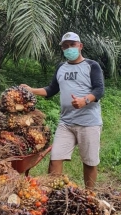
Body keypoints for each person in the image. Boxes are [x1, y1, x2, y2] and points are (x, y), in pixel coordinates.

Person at [20, 32, 104, 190]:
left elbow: (99, 89)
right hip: (66, 123)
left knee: (89, 162)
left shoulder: (92, 66)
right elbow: (51, 90)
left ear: (80, 46)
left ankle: (89, 195)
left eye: (72, 45)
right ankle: (54, 195)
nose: (68, 48)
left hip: (89, 123)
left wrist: (84, 100)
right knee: (55, 159)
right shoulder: (61, 67)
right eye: (65, 46)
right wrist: (31, 90)